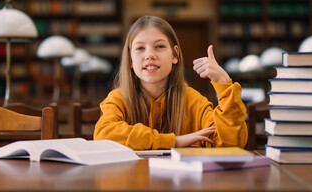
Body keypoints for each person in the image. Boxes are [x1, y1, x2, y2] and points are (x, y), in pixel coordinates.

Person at [94, 15, 247, 150]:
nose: (150, 55)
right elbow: (103, 134)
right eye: (140, 48)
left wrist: (224, 84)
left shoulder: (193, 100)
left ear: (174, 55)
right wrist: (174, 141)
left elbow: (229, 146)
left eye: (160, 46)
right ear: (131, 60)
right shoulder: (118, 98)